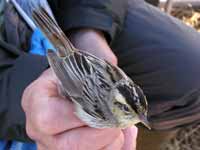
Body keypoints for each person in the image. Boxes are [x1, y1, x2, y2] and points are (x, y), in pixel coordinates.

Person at [1, 0, 200, 149]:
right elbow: (74, 85)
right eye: (129, 112)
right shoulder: (103, 111)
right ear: (116, 107)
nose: (140, 117)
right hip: (62, 68)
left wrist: (89, 32)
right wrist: (38, 80)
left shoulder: (120, 97)